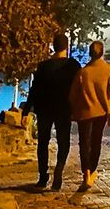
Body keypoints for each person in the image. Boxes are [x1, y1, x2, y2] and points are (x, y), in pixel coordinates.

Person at [25, 32, 80, 192]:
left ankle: (43, 177)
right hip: (64, 108)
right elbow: (79, 86)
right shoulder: (73, 65)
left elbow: (34, 89)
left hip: (45, 109)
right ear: (66, 47)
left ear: (53, 46)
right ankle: (59, 168)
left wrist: (26, 110)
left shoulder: (43, 66)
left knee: (43, 142)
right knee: (63, 141)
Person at [68, 39, 110, 191]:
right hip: (101, 112)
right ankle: (92, 170)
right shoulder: (109, 69)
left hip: (84, 112)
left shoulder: (83, 72)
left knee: (84, 143)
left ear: (90, 53)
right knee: (96, 141)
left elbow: (72, 96)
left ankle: (86, 173)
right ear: (102, 53)